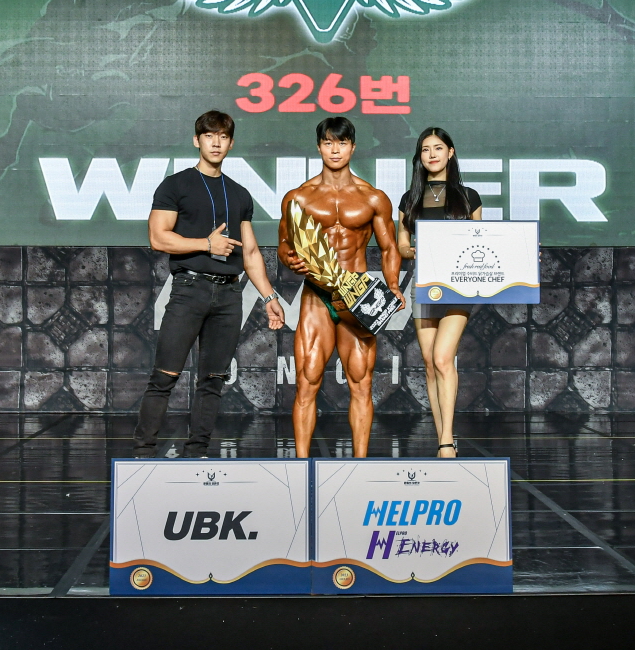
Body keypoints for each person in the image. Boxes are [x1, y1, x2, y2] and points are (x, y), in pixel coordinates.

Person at [136, 111, 286, 458]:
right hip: (190, 290)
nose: (216, 143)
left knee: (213, 380)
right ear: (197, 140)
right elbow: (158, 237)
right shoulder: (176, 185)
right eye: (208, 136)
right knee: (165, 375)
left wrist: (269, 297)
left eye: (223, 137)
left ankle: (197, 452)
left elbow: (250, 251)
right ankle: (142, 453)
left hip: (229, 294)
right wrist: (206, 244)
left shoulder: (240, 194)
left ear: (231, 143)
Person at [278, 117, 403, 458]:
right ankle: (301, 466)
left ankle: (360, 465)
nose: (335, 150)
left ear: (353, 147)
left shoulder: (373, 197)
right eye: (328, 143)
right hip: (316, 296)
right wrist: (290, 259)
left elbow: (389, 248)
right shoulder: (299, 197)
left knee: (361, 381)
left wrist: (393, 284)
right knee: (307, 380)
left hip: (357, 296)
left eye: (342, 143)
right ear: (319, 147)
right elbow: (285, 244)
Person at [396, 127, 483, 458]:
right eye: (425, 149)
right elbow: (401, 245)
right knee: (430, 363)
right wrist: (413, 250)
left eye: (437, 148)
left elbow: (482, 241)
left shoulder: (469, 197)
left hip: (459, 287)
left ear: (450, 152)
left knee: (444, 357)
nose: (431, 154)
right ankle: (441, 436)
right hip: (424, 286)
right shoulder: (410, 199)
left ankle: (447, 441)